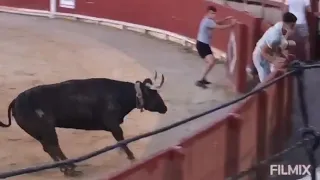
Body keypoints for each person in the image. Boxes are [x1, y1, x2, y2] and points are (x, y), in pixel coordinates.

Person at [195, 5, 236, 88]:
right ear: (208, 13)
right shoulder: (208, 21)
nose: (213, 15)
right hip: (202, 44)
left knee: (211, 62)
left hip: (203, 44)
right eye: (212, 13)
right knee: (211, 62)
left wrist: (225, 19)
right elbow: (220, 27)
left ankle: (203, 79)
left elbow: (217, 22)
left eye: (214, 13)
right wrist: (231, 25)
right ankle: (200, 80)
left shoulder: (207, 20)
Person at [253, 12, 297, 82]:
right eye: (292, 25)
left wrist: (284, 58)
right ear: (287, 24)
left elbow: (276, 48)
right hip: (260, 56)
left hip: (268, 53)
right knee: (265, 82)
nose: (294, 28)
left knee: (271, 78)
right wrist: (274, 61)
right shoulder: (275, 36)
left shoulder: (282, 26)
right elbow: (263, 51)